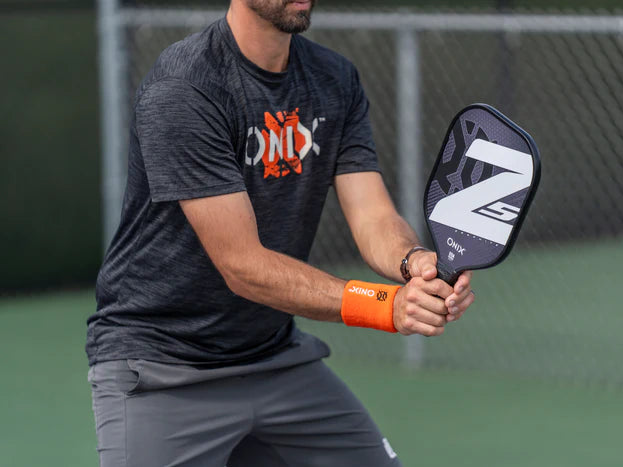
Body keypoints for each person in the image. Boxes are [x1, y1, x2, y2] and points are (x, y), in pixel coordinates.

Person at [86, 0, 475, 465]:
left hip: (274, 357)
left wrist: (413, 262)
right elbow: (243, 266)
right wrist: (385, 306)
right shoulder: (186, 87)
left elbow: (372, 214)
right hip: (163, 367)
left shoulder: (335, 79)